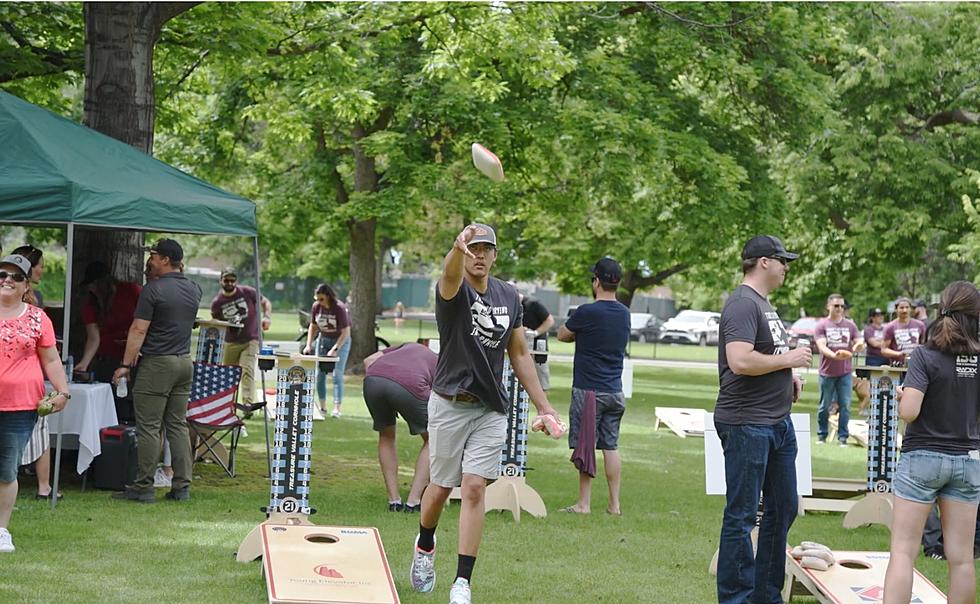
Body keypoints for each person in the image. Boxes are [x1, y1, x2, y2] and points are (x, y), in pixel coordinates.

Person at [409, 223, 560, 604]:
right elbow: (448, 273)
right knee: (441, 488)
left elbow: (520, 353)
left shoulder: (509, 296)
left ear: (495, 254)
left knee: (474, 487)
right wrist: (455, 251)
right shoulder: (453, 289)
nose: (478, 255)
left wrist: (545, 407)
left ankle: (462, 582)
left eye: (485, 249)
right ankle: (425, 543)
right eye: (472, 248)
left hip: (490, 407)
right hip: (449, 403)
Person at [714, 235, 811, 604]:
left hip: (777, 423)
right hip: (746, 424)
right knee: (741, 516)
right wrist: (788, 362)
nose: (787, 267)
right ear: (764, 262)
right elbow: (739, 360)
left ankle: (766, 595)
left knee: (784, 505)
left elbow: (764, 355)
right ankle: (737, 598)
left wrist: (789, 377)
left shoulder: (763, 304)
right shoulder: (741, 304)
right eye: (784, 260)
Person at [883, 281, 980, 604]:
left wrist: (903, 396)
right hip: (968, 461)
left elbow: (909, 412)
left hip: (922, 458)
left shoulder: (925, 355)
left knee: (903, 552)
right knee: (962, 560)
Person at [111, 239, 202, 503]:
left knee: (149, 427)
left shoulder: (153, 289)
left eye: (153, 255)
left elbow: (139, 329)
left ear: (164, 259)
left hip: (158, 364)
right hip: (184, 362)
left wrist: (125, 365)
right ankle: (182, 486)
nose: (149, 261)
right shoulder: (194, 288)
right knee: (177, 425)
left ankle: (143, 487)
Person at [0, 254, 70, 552]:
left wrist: (63, 391)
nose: (7, 280)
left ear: (26, 284)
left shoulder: (38, 318)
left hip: (19, 407)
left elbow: (51, 359)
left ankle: (1, 530)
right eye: (2, 274)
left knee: (6, 470)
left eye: (15, 277)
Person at [556, 257, 630, 516]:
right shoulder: (624, 314)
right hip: (615, 391)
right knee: (611, 446)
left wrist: (579, 332)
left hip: (589, 390)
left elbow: (562, 334)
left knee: (586, 445)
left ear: (597, 281)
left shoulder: (586, 312)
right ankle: (614, 505)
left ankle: (583, 504)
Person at [362, 342, 437, 513]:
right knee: (433, 439)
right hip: (410, 383)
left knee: (386, 436)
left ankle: (394, 501)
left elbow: (369, 360)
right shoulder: (439, 361)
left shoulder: (406, 346)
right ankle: (414, 501)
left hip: (373, 380)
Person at [14, 246, 58, 500]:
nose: (42, 269)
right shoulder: (33, 302)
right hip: (28, 378)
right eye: (40, 265)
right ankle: (43, 486)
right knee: (40, 429)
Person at [74, 261, 142, 421]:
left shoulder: (131, 291)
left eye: (92, 284)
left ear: (102, 282)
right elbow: (93, 337)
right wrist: (84, 363)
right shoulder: (91, 304)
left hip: (133, 358)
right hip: (107, 359)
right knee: (111, 403)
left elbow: (144, 323)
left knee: (131, 403)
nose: (90, 289)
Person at [210, 268, 271, 417]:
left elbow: (266, 302)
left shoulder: (247, 292)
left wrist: (267, 317)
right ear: (221, 281)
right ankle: (224, 405)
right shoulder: (218, 303)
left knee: (247, 370)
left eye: (232, 280)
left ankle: (247, 405)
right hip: (231, 341)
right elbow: (215, 322)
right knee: (227, 373)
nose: (230, 283)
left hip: (251, 338)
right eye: (226, 280)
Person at [814, 293, 865, 446]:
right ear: (828, 306)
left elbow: (859, 340)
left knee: (845, 405)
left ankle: (842, 437)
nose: (840, 308)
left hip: (845, 373)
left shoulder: (850, 325)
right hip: (827, 372)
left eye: (843, 306)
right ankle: (821, 435)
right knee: (825, 405)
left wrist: (858, 345)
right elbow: (822, 346)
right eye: (836, 305)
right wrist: (835, 356)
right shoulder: (822, 325)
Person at [302, 283, 350, 419]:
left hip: (341, 340)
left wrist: (335, 349)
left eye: (321, 299)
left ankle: (337, 408)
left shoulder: (339, 308)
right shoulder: (316, 307)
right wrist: (308, 344)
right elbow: (313, 326)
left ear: (328, 296)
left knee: (337, 374)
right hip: (323, 340)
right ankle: (322, 407)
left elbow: (346, 332)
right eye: (317, 299)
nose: (319, 302)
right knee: (319, 374)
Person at [519, 290, 555, 393]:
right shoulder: (513, 307)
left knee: (541, 368)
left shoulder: (533, 304)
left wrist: (535, 332)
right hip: (523, 341)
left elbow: (549, 321)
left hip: (538, 341)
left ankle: (544, 392)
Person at [882, 297, 927, 366]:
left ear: (911, 309)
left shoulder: (920, 325)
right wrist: (899, 354)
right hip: (897, 365)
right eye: (901, 308)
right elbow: (884, 350)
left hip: (916, 364)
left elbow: (924, 345)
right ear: (896, 309)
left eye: (907, 307)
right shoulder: (890, 327)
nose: (904, 310)